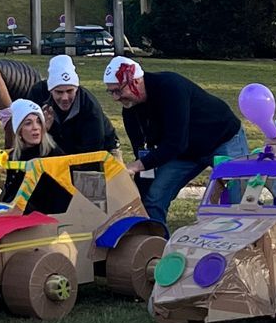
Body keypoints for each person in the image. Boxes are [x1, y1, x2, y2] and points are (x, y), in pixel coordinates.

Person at [103, 57, 247, 227]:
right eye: (111, 92)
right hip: (184, 153)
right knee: (154, 198)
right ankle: (157, 246)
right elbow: (143, 152)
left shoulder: (171, 87)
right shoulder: (130, 111)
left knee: (239, 200)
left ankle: (249, 246)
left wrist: (135, 166)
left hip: (223, 138)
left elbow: (175, 142)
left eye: (118, 91)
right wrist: (139, 196)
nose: (115, 98)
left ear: (136, 81)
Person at [41, 54, 119, 157]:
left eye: (70, 91)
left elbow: (92, 154)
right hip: (55, 150)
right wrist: (43, 130)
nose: (65, 97)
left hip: (102, 151)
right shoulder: (38, 95)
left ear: (77, 88)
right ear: (50, 90)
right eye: (59, 92)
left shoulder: (90, 107)